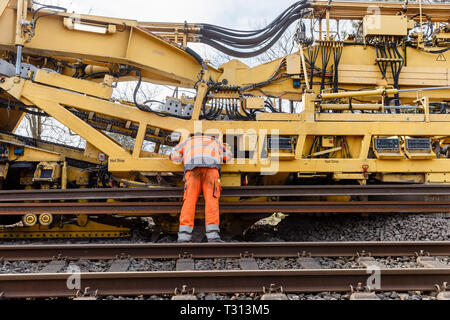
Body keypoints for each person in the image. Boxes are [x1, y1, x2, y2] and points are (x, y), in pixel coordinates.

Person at [169, 132, 232, 243]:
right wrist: (217, 156)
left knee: (189, 201)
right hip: (211, 170)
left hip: (192, 170)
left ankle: (184, 237)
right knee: (212, 201)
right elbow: (228, 157)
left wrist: (184, 157)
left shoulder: (187, 141)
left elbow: (172, 155)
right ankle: (213, 237)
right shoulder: (215, 141)